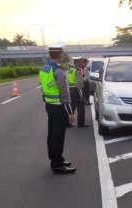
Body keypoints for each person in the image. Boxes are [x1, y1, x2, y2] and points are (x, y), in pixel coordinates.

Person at [39, 42, 76, 174]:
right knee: (58, 136)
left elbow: (43, 87)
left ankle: (56, 159)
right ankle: (57, 165)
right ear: (60, 55)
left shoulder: (44, 68)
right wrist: (70, 113)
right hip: (59, 108)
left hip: (49, 106)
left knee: (52, 135)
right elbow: (64, 94)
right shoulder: (58, 71)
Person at [68, 56, 90, 127]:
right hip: (77, 90)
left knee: (72, 107)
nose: (82, 63)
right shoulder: (78, 70)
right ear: (77, 62)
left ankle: (68, 123)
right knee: (81, 108)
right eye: (81, 62)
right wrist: (81, 96)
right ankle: (81, 123)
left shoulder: (71, 69)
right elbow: (79, 84)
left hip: (72, 90)